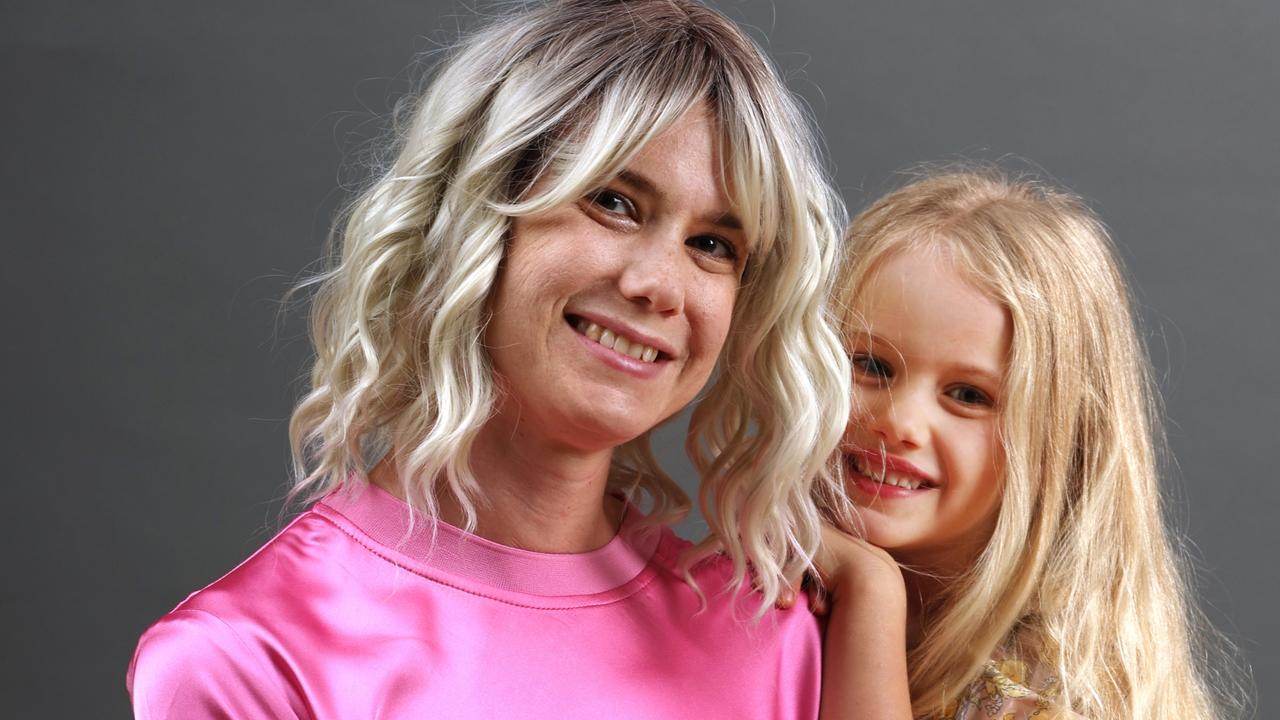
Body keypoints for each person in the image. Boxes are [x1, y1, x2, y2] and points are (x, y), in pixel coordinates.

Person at [126, 1, 851, 718]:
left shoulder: (773, 635)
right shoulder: (246, 660)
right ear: (474, 211)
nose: (659, 285)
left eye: (713, 246)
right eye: (614, 202)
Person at [815, 169, 1233, 719]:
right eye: (871, 365)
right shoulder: (773, 596)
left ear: (1061, 442)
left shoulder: (1046, 695)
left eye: (968, 395)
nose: (900, 424)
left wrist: (870, 594)